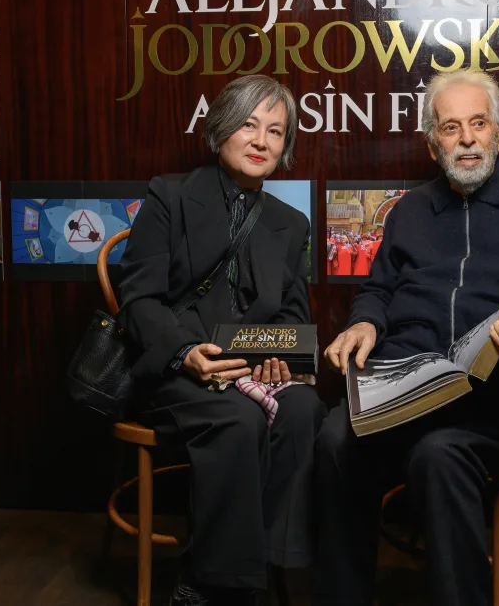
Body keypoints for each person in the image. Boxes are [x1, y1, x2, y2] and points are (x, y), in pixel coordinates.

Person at [312, 68, 499, 606]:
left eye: (478, 123)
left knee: (436, 456)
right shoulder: (410, 209)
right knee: (334, 438)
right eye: (450, 127)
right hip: (406, 382)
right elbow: (377, 288)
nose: (466, 138)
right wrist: (364, 321)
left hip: (496, 394)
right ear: (432, 141)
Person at [117, 75, 324, 606]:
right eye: (249, 124)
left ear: (285, 147)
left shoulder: (290, 222)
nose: (261, 141)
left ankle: (270, 566)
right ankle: (216, 584)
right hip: (177, 369)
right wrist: (185, 354)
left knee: (303, 409)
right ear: (220, 129)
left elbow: (295, 313)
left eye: (276, 131)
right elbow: (139, 300)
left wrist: (281, 354)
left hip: (253, 371)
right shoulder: (170, 195)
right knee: (238, 419)